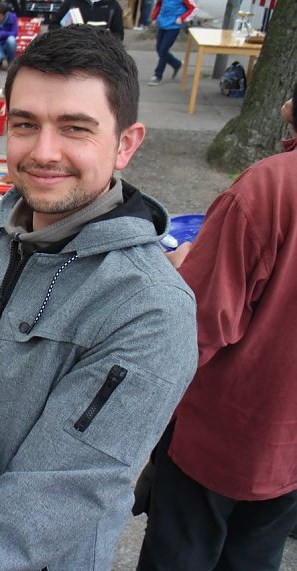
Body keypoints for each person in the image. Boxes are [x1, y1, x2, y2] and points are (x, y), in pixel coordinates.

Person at [0, 26, 198, 570]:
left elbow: (55, 496)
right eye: (26, 124)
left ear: (126, 144)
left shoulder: (150, 310)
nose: (44, 152)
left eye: (75, 128)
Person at [136, 81, 297, 571]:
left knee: (179, 554)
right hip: (287, 456)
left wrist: (178, 272)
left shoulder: (268, 189)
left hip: (223, 437)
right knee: (256, 557)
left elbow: (200, 323)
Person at [147, 0, 195, 85]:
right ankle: (176, 64)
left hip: (173, 26)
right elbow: (159, 5)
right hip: (162, 24)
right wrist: (154, 17)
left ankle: (158, 75)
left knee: (163, 50)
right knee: (159, 49)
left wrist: (182, 18)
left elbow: (193, 8)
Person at [50, 0, 125, 40]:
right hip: (71, 50)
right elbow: (53, 25)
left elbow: (119, 35)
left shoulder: (113, 6)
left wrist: (106, 37)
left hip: (100, 54)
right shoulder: (71, 2)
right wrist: (66, 33)